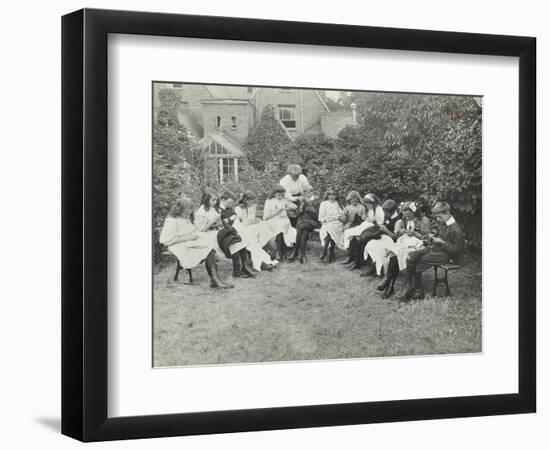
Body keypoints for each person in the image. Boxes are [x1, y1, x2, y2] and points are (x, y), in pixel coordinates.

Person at [159, 197, 233, 289]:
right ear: (179, 209)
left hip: (189, 242)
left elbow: (192, 230)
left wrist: (197, 235)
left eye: (190, 211)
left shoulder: (186, 218)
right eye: (187, 211)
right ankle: (215, 280)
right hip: (177, 245)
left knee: (210, 246)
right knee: (208, 249)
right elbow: (166, 240)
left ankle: (215, 280)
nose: (189, 213)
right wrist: (188, 237)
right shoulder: (172, 220)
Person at [398, 201, 465, 301]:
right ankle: (409, 287)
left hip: (446, 255)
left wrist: (442, 242)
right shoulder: (444, 223)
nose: (438, 219)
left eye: (439, 217)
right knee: (411, 256)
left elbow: (457, 250)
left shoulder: (455, 228)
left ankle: (418, 292)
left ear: (447, 213)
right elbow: (438, 235)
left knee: (419, 262)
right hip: (435, 248)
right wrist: (432, 237)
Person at [376, 201, 426, 298]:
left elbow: (427, 239)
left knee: (396, 253)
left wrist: (415, 234)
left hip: (419, 246)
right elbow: (399, 234)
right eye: (405, 216)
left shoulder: (423, 221)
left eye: (408, 216)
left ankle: (388, 280)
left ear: (414, 212)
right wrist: (402, 231)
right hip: (407, 244)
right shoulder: (405, 220)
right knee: (396, 252)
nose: (407, 218)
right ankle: (389, 284)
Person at [232, 191, 277, 272]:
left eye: (254, 202)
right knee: (252, 241)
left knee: (263, 227)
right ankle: (262, 263)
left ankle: (267, 256)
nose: (253, 203)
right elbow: (244, 222)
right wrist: (256, 221)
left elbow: (251, 220)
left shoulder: (252, 206)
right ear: (247, 200)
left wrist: (256, 221)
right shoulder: (238, 208)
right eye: (252, 201)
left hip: (250, 227)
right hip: (240, 229)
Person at [217, 191, 256, 279]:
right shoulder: (218, 209)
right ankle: (237, 271)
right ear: (223, 200)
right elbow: (222, 223)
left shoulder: (229, 207)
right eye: (229, 202)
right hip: (222, 233)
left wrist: (231, 218)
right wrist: (230, 219)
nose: (231, 204)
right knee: (235, 243)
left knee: (242, 242)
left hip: (229, 230)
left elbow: (233, 215)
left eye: (232, 203)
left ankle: (245, 267)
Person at [347, 193, 385, 272]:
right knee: (354, 236)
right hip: (369, 227)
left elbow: (380, 223)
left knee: (358, 238)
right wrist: (366, 218)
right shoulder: (370, 209)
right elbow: (369, 219)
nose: (367, 206)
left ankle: (358, 262)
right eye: (366, 204)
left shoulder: (379, 209)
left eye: (368, 204)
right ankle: (355, 260)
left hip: (376, 230)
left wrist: (371, 221)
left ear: (373, 203)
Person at [364, 199, 400, 277]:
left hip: (392, 240)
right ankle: (374, 268)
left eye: (386, 212)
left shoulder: (398, 220)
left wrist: (385, 230)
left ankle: (381, 271)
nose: (385, 214)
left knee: (379, 247)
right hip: (384, 237)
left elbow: (396, 237)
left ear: (392, 211)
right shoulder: (387, 216)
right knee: (371, 244)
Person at [263, 186, 297, 261]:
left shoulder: (284, 200)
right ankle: (280, 252)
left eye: (282, 195)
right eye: (279, 195)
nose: (280, 197)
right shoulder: (269, 201)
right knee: (279, 228)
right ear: (274, 193)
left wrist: (287, 206)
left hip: (284, 221)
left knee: (284, 228)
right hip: (272, 220)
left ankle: (281, 252)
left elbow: (295, 206)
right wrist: (277, 212)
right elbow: (266, 217)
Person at [288, 189, 319, 264]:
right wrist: (300, 209)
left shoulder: (317, 202)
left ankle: (295, 251)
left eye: (309, 192)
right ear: (303, 194)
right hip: (301, 222)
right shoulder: (301, 201)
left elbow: (317, 217)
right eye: (305, 192)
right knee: (304, 232)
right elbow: (296, 214)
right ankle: (302, 254)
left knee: (300, 227)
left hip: (311, 223)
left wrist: (311, 210)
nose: (307, 193)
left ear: (312, 192)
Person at [318, 188, 345, 263]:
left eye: (334, 194)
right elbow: (320, 217)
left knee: (331, 228)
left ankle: (325, 250)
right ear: (327, 195)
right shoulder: (323, 204)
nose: (332, 196)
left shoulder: (339, 204)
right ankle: (331, 254)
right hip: (327, 223)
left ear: (336, 196)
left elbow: (342, 215)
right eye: (330, 194)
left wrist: (341, 218)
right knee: (328, 229)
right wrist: (325, 220)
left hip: (337, 223)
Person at [341, 191, 367, 265]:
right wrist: (345, 216)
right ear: (349, 200)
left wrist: (361, 216)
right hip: (350, 223)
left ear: (358, 199)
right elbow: (344, 221)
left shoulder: (362, 207)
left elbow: (364, 218)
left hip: (359, 224)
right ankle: (350, 255)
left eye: (355, 200)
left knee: (352, 234)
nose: (354, 202)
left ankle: (354, 256)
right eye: (352, 200)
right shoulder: (347, 207)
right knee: (347, 233)